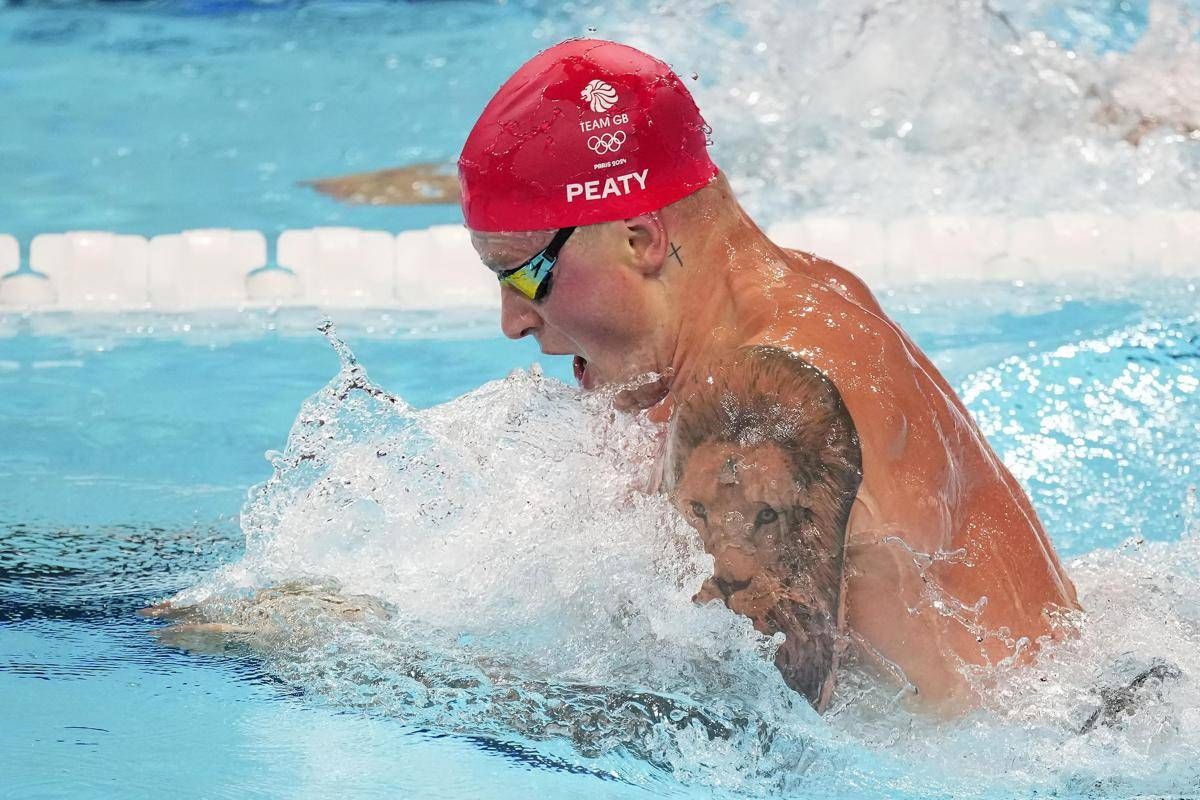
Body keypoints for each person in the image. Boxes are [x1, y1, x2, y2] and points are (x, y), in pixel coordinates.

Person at [459, 38, 1080, 714]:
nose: (513, 321)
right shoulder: (816, 293)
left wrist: (428, 682)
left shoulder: (756, 410)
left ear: (642, 240)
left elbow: (753, 731)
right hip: (1062, 708)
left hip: (1002, 757)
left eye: (526, 276)